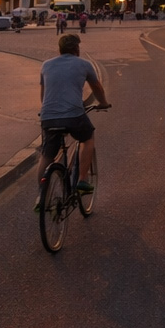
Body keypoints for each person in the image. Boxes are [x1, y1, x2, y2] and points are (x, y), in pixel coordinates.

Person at [38, 32, 109, 206]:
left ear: (59, 49)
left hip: (48, 116)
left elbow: (43, 95)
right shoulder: (84, 64)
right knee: (87, 137)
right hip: (73, 115)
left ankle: (42, 196)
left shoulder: (46, 65)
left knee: (47, 154)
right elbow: (97, 88)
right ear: (77, 48)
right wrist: (103, 103)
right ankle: (82, 179)